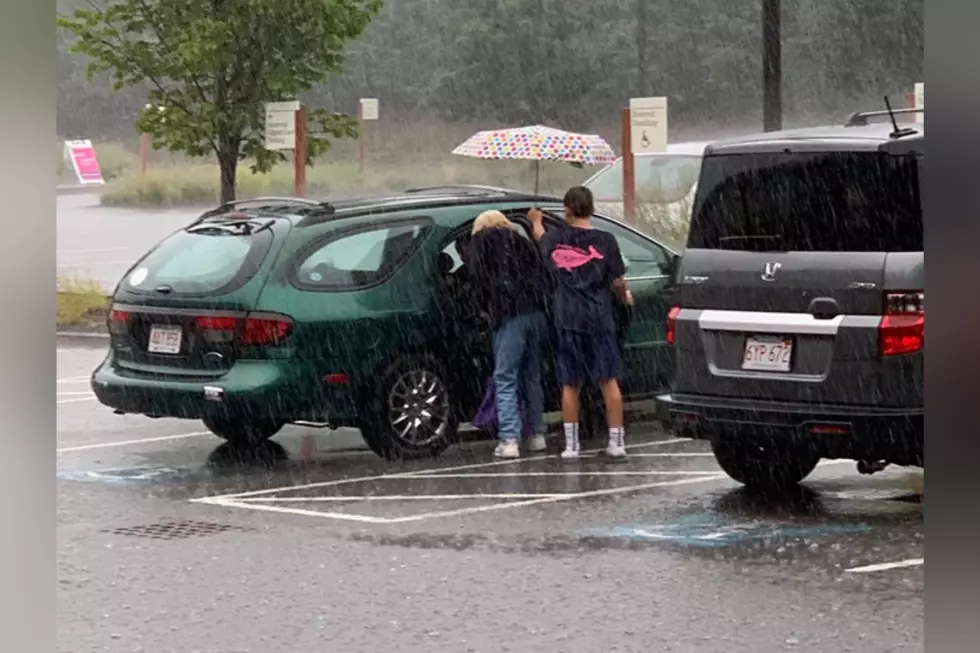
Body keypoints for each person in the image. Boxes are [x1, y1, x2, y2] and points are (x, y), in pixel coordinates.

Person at [529, 186, 633, 460]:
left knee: (570, 383)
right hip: (599, 316)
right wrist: (625, 297)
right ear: (592, 208)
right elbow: (618, 281)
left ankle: (571, 446)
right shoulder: (606, 240)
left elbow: (540, 239)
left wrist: (536, 221)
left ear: (566, 209)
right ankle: (616, 441)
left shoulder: (554, 239)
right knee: (608, 380)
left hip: (568, 316)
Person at [467, 210, 551, 458]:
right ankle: (537, 435)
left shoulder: (480, 244)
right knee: (532, 376)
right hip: (535, 313)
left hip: (507, 314)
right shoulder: (521, 241)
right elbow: (541, 274)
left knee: (505, 377)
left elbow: (478, 282)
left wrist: (483, 311)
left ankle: (509, 439)